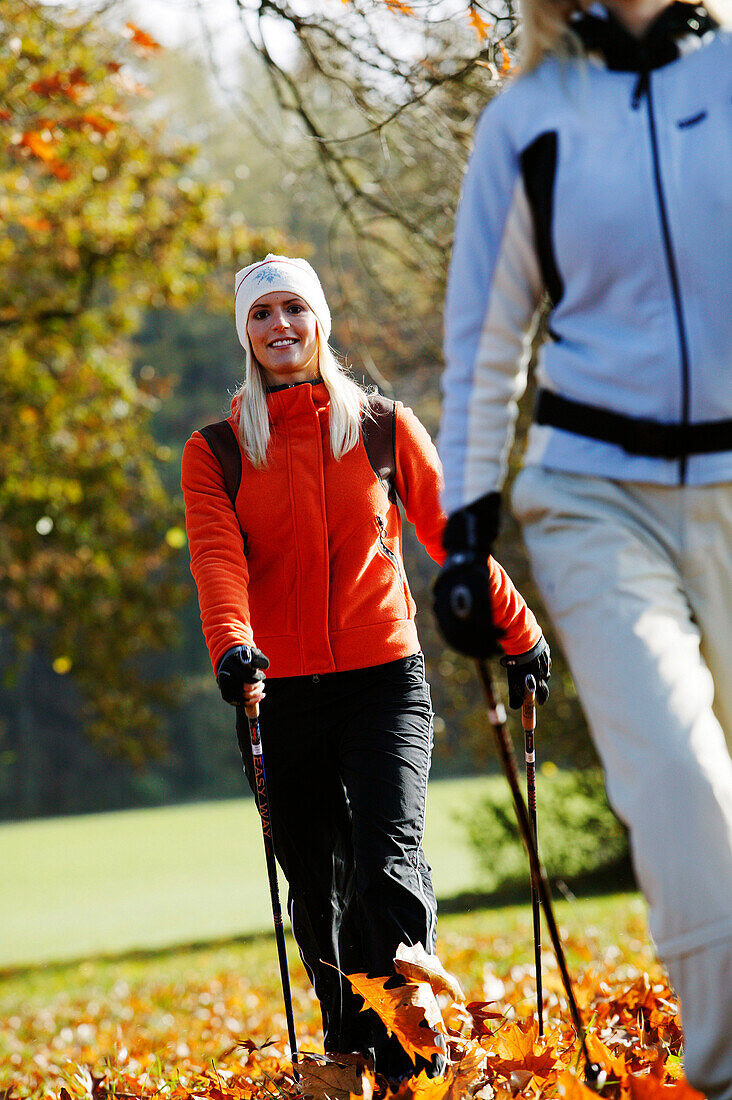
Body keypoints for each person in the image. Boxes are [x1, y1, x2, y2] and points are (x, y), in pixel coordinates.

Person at [434, 0, 732, 1094]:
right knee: (678, 781)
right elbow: (484, 337)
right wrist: (467, 530)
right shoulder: (531, 118)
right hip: (594, 493)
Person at [181, 254, 549, 1082]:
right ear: (246, 331)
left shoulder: (380, 426)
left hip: (385, 680)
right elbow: (216, 561)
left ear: (321, 321)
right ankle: (349, 1049)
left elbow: (453, 542)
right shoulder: (217, 451)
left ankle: (409, 1047)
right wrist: (232, 645)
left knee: (388, 861)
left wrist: (518, 634)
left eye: (294, 310)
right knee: (318, 886)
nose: (281, 326)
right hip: (275, 692)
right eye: (263, 313)